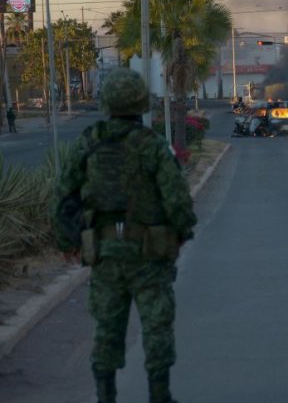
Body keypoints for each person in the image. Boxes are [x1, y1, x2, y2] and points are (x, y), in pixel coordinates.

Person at [53, 68, 197, 403]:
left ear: (106, 104)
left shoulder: (89, 142)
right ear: (140, 104)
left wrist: (68, 242)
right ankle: (160, 396)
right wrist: (181, 234)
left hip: (105, 253)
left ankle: (106, 397)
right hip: (149, 254)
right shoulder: (152, 146)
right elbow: (176, 197)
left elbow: (62, 195)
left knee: (106, 328)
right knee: (156, 326)